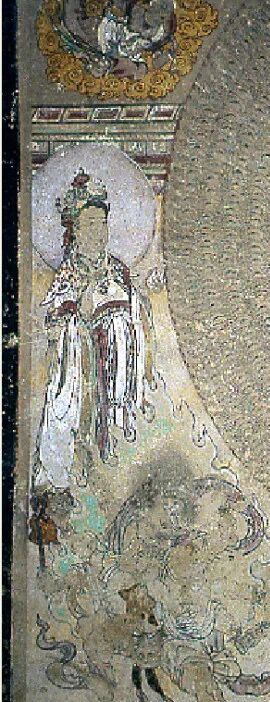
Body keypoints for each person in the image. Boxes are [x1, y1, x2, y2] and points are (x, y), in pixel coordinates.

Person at [34, 170, 155, 493]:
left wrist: (137, 304)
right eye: (89, 224)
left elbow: (137, 306)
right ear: (74, 231)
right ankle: (78, 459)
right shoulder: (69, 273)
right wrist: (80, 314)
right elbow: (56, 321)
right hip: (83, 365)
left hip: (120, 364)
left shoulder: (117, 268)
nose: (98, 232)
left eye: (102, 224)